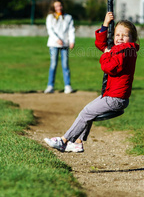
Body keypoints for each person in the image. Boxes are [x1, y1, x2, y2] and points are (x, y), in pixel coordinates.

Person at [44, 12, 139, 152]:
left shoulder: (124, 51)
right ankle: (77, 142)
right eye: (117, 35)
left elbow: (110, 67)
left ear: (132, 38)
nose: (120, 38)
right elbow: (100, 43)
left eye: (124, 35)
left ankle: (64, 141)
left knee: (86, 113)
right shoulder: (120, 49)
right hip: (113, 95)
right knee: (88, 112)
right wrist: (105, 24)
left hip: (115, 98)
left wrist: (106, 55)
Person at [44, 0, 75, 94]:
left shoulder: (68, 17)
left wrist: (72, 41)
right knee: (53, 65)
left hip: (65, 45)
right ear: (53, 7)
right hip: (53, 44)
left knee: (65, 65)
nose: (59, 7)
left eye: (60, 5)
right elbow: (50, 30)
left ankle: (67, 86)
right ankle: (50, 86)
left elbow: (71, 30)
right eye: (56, 6)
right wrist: (57, 40)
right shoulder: (50, 18)